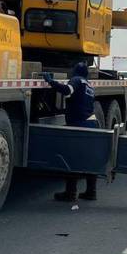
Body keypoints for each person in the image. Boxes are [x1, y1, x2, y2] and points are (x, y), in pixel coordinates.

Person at [44, 62, 100, 202]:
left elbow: (67, 91)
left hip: (79, 124)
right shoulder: (88, 84)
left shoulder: (76, 80)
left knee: (72, 157)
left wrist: (52, 82)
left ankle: (70, 193)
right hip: (91, 123)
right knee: (89, 159)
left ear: (75, 71)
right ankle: (91, 192)